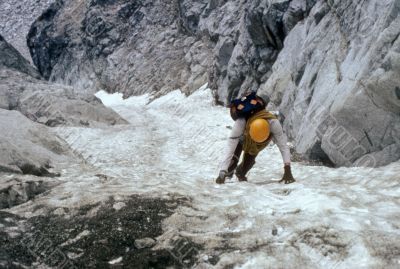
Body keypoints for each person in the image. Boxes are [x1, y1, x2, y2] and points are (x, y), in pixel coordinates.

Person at [216, 91, 296, 184]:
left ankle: (240, 172)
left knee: (243, 170)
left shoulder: (273, 123)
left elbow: (283, 146)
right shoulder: (242, 121)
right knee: (231, 163)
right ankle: (228, 173)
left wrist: (287, 169)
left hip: (255, 146)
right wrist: (223, 170)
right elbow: (231, 145)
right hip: (243, 140)